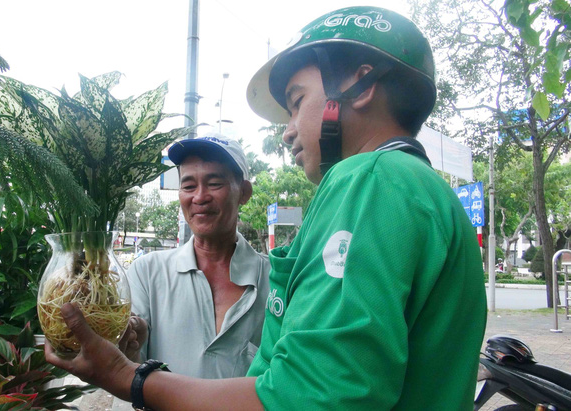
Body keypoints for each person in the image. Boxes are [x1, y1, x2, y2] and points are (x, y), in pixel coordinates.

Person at [46, 6, 487, 410]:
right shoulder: (427, 191)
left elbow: (309, 395)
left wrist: (127, 378)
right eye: (187, 185)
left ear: (362, 84)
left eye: (296, 103)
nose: (288, 132)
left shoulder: (368, 180)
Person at [118, 135, 271, 379]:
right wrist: (128, 343)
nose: (199, 197)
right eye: (188, 186)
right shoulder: (147, 272)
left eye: (214, 183)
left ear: (244, 192)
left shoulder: (275, 280)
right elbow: (129, 369)